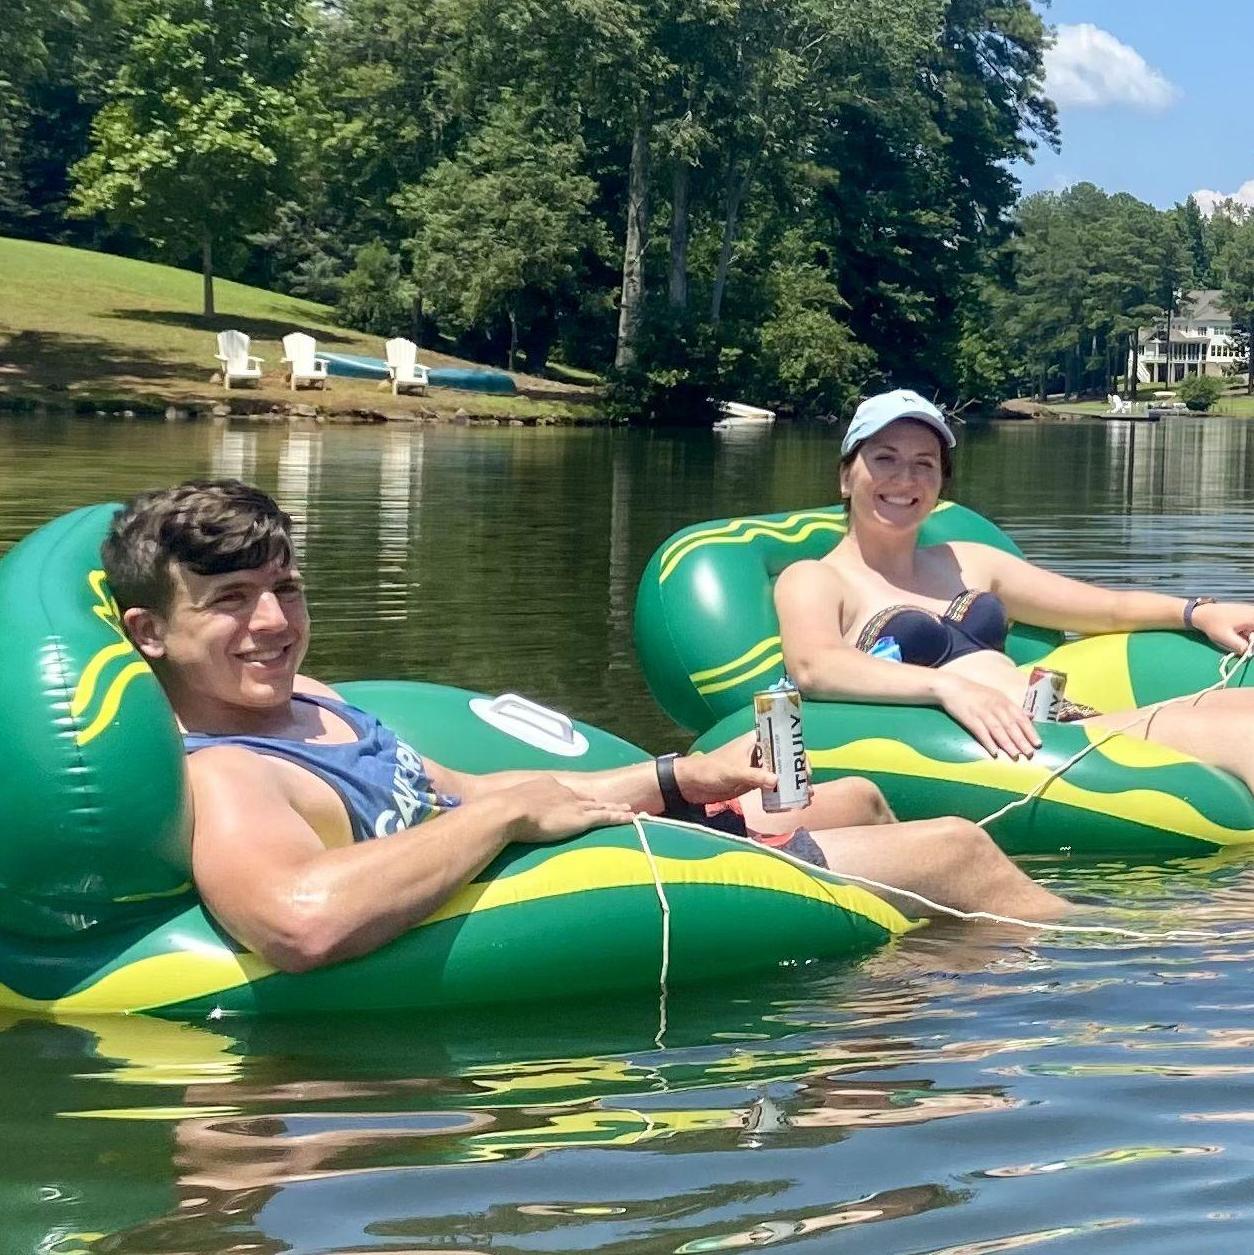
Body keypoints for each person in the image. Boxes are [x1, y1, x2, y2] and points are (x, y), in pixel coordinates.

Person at [100, 479, 1066, 973]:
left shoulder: (313, 702)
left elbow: (464, 792)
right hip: (550, 906)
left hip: (555, 864)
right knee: (955, 850)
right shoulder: (226, 772)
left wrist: (680, 777)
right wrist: (502, 818)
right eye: (231, 601)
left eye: (286, 588)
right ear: (149, 631)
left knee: (851, 794)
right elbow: (298, 920)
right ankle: (1100, 998)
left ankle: (896, 1003)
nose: (274, 622)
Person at [774, 387, 1254, 787]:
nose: (905, 478)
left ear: (941, 482)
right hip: (1003, 751)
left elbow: (1104, 608)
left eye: (925, 463)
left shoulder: (968, 561)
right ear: (845, 477)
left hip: (1061, 722)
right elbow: (816, 667)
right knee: (1241, 735)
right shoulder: (816, 577)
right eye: (885, 459)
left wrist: (1198, 611)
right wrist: (947, 688)